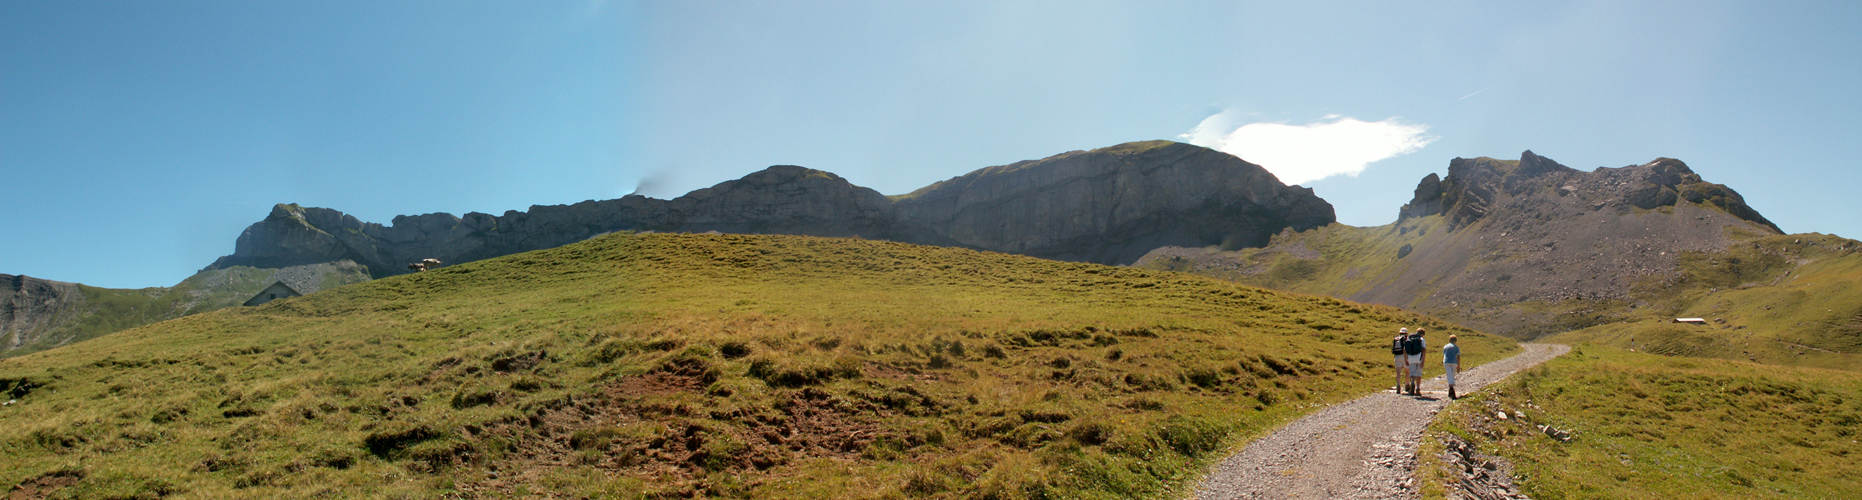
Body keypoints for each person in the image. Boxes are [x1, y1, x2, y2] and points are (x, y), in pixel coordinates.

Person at [1405, 328, 1428, 396]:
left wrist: (1406, 358)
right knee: (1419, 373)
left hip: (1411, 358)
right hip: (1419, 358)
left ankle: (1412, 382)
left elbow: (1405, 349)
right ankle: (1418, 389)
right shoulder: (1421, 339)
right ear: (1422, 334)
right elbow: (1423, 350)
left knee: (1412, 372)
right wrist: (1423, 360)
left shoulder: (1409, 338)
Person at [1391, 328, 1409, 393]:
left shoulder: (1396, 338)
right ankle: (1407, 385)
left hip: (1397, 356)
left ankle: (1398, 386)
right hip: (1404, 356)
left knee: (1398, 372)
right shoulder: (1406, 339)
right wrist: (1406, 358)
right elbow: (1406, 348)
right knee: (1407, 371)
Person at [1443, 334, 1461, 399]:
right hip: (1454, 362)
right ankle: (1451, 388)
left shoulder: (1445, 347)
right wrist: (1458, 366)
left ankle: (1450, 389)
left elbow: (1444, 354)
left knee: (1449, 375)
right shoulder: (1456, 347)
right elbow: (1458, 356)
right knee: (1452, 375)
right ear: (1455, 341)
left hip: (1446, 362)